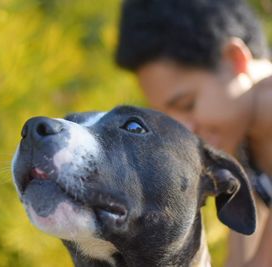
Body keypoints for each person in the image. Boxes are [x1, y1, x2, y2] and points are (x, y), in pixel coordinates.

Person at [115, 0, 272, 266]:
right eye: (169, 116)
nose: (184, 130)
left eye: (187, 105)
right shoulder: (242, 139)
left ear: (235, 58)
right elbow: (241, 252)